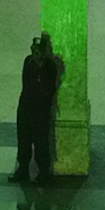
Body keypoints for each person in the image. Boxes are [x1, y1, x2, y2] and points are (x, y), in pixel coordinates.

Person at [16, 32, 65, 187]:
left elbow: (47, 88)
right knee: (23, 139)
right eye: (34, 49)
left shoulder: (50, 67)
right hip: (25, 108)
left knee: (40, 142)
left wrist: (40, 68)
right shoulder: (28, 62)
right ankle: (23, 168)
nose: (35, 53)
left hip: (40, 111)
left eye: (38, 50)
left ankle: (43, 171)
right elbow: (27, 83)